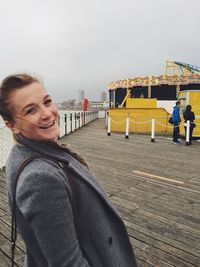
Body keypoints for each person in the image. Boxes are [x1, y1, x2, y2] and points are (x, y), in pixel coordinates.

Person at [0, 74, 138, 267]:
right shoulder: (40, 179)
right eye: (31, 110)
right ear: (11, 125)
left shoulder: (19, 153)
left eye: (47, 102)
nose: (47, 113)